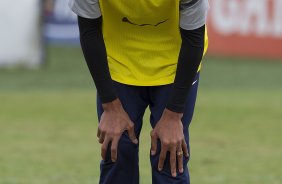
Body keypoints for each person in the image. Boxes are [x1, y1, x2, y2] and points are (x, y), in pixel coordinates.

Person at [69, 0, 209, 183]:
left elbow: (193, 40)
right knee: (117, 150)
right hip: (118, 63)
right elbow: (89, 31)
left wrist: (174, 115)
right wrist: (110, 106)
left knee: (170, 156)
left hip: (175, 65)